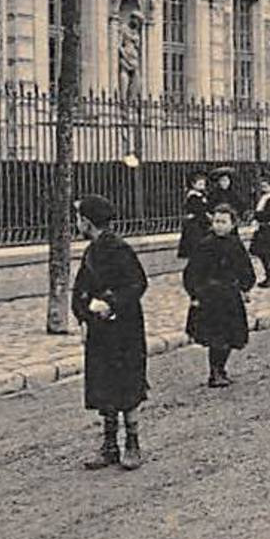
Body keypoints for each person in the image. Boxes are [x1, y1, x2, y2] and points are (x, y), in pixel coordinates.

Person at [72, 193, 150, 470]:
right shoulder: (91, 250)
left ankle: (132, 443)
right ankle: (109, 446)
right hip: (100, 330)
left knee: (126, 385)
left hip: (123, 329)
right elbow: (79, 289)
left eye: (79, 218)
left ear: (88, 221)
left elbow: (137, 284)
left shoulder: (119, 249)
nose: (77, 223)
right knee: (104, 385)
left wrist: (110, 303)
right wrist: (82, 316)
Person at [183, 202, 256, 388]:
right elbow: (192, 272)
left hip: (230, 296)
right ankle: (215, 372)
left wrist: (246, 287)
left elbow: (245, 268)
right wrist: (195, 294)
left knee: (230, 335)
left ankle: (221, 368)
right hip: (210, 297)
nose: (219, 225)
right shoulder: (205, 245)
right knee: (217, 336)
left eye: (223, 222)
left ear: (233, 224)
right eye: (216, 221)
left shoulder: (235, 244)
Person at [176, 172, 212, 261]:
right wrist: (206, 214)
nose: (202, 186)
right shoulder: (193, 196)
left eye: (203, 184)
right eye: (200, 184)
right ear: (193, 184)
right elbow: (197, 209)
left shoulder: (202, 195)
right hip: (196, 222)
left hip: (202, 221)